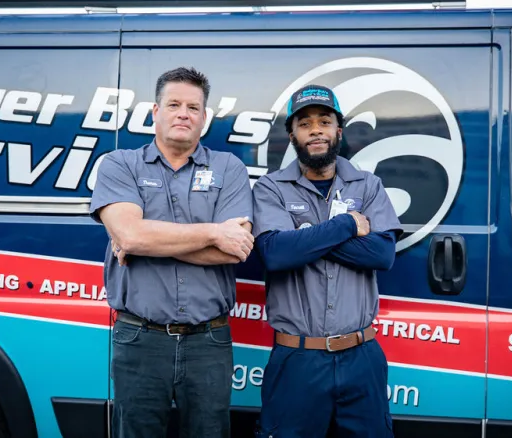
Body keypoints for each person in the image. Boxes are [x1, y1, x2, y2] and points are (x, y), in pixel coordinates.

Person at [89, 67, 254, 438]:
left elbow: (235, 249)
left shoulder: (229, 168)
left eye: (193, 107)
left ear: (204, 117)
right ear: (155, 112)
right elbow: (131, 235)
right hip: (140, 338)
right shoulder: (120, 164)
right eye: (174, 104)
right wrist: (212, 232)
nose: (184, 113)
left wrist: (148, 239)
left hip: (208, 341)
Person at [251, 84, 403, 437]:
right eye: (304, 124)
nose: (315, 129)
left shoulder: (368, 185)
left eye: (324, 121)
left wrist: (303, 235)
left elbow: (381, 254)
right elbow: (276, 254)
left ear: (339, 130)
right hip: (298, 360)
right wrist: (347, 225)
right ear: (292, 134)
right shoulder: (270, 188)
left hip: (361, 356)